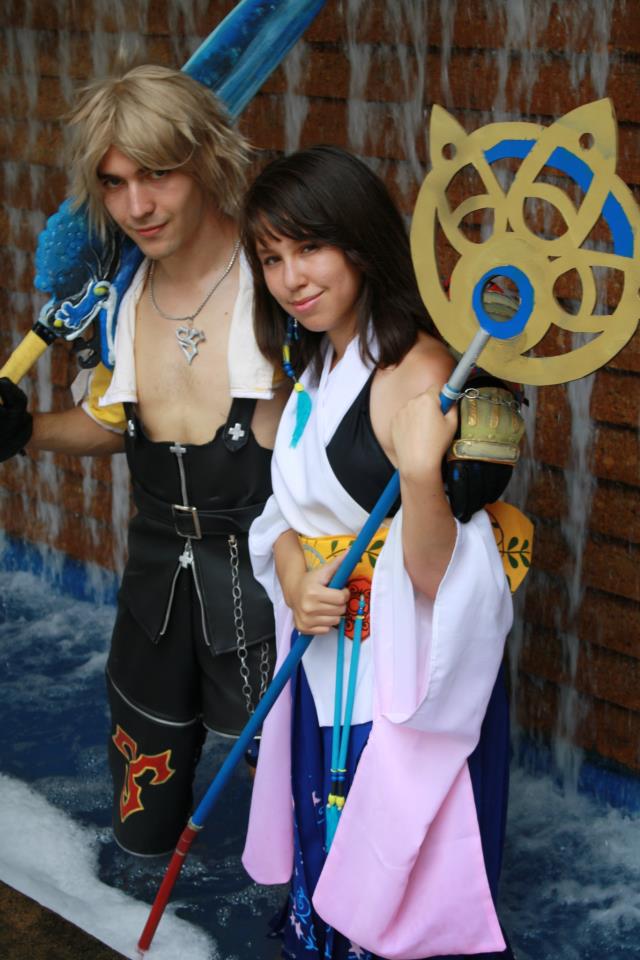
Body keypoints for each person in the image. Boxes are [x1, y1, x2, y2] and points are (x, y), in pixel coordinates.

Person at [0, 64, 288, 857]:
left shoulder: (285, 282)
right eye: (115, 183)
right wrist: (24, 432)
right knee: (141, 827)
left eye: (158, 174)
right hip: (156, 576)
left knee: (301, 828)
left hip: (272, 582)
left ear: (209, 159)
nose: (137, 207)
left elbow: (377, 391)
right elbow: (112, 422)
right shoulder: (117, 293)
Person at [239, 146, 518, 959]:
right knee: (328, 843)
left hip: (402, 674)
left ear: (360, 242)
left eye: (310, 247)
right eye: (271, 258)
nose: (291, 278)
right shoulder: (320, 358)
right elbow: (287, 513)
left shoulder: (421, 373)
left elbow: (442, 579)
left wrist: (425, 474)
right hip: (326, 652)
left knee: (400, 869)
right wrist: (296, 576)